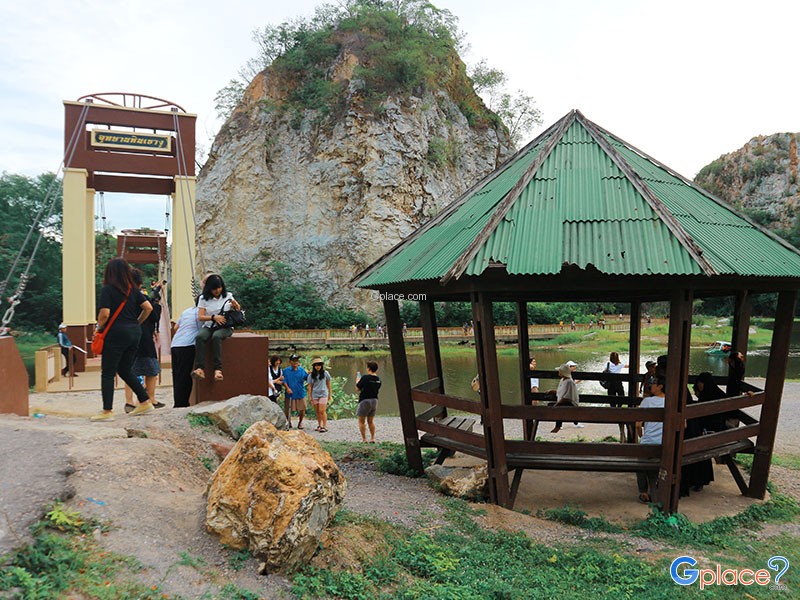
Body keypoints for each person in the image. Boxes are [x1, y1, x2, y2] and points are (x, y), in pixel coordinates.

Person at [91, 258, 153, 421]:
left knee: (108, 372)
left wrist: (99, 328)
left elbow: (105, 314)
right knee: (125, 369)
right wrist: (137, 323)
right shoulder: (133, 290)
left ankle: (107, 411)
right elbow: (148, 308)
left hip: (116, 334)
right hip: (134, 333)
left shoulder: (108, 289)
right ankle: (145, 401)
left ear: (109, 272)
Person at [124, 269, 164, 412]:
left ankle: (129, 402)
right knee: (151, 369)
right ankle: (150, 398)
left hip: (127, 337)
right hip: (144, 336)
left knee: (129, 371)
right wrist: (156, 301)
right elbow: (154, 314)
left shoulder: (122, 297)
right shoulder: (142, 297)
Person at [192, 274, 241, 382]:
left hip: (225, 327)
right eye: (214, 289)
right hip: (209, 325)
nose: (217, 291)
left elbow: (237, 309)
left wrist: (235, 305)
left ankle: (218, 369)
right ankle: (200, 368)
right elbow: (200, 317)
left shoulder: (228, 296)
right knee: (200, 337)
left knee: (216, 336)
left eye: (219, 288)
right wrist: (213, 317)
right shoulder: (203, 298)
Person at [681, 372, 721, 494]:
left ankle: (698, 480)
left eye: (700, 382)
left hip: (710, 429)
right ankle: (696, 479)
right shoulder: (705, 394)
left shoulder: (714, 394)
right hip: (701, 426)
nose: (699, 385)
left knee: (697, 447)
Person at [636, 376, 666, 503]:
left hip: (648, 443)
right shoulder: (671, 402)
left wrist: (641, 435)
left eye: (654, 383)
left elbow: (638, 425)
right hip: (664, 444)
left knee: (641, 465)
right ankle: (655, 491)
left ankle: (643, 492)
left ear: (660, 386)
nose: (651, 385)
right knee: (655, 468)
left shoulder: (647, 401)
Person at [170, 303, 201, 408]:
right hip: (187, 345)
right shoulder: (203, 314)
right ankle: (182, 403)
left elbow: (176, 327)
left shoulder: (186, 311)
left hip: (175, 344)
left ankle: (177, 402)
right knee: (185, 376)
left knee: (177, 376)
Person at [549, 363, 580, 433]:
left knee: (558, 407)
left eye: (560, 371)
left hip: (571, 403)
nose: (558, 372)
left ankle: (558, 426)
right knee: (550, 405)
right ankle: (574, 420)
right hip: (565, 401)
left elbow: (566, 398)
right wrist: (553, 391)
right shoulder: (563, 380)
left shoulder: (569, 382)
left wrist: (557, 404)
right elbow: (561, 391)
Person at [605, 352, 629, 442]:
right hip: (618, 382)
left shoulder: (608, 364)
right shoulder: (619, 365)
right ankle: (619, 407)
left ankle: (613, 409)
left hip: (610, 383)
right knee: (621, 395)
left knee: (611, 396)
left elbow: (605, 370)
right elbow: (627, 366)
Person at [356, 361, 381, 443]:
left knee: (361, 421)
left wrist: (357, 381)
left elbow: (358, 388)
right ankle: (372, 438)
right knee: (370, 421)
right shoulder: (378, 379)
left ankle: (364, 439)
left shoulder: (365, 377)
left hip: (365, 400)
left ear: (369, 369)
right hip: (374, 401)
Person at [283, 354, 308, 429]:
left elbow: (307, 378)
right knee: (287, 409)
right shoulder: (286, 371)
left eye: (297, 361)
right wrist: (287, 388)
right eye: (294, 361)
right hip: (290, 393)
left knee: (302, 408)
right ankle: (289, 422)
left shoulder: (302, 370)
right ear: (290, 362)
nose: (296, 362)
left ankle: (300, 422)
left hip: (300, 392)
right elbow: (284, 381)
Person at [307, 357, 332, 432]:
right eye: (316, 365)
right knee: (317, 411)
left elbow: (329, 384)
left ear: (321, 366)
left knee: (322, 410)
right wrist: (309, 397)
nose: (318, 367)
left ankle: (324, 426)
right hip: (315, 394)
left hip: (323, 394)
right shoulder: (311, 375)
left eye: (319, 365)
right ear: (314, 366)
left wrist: (330, 394)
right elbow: (310, 386)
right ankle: (319, 425)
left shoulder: (325, 373)